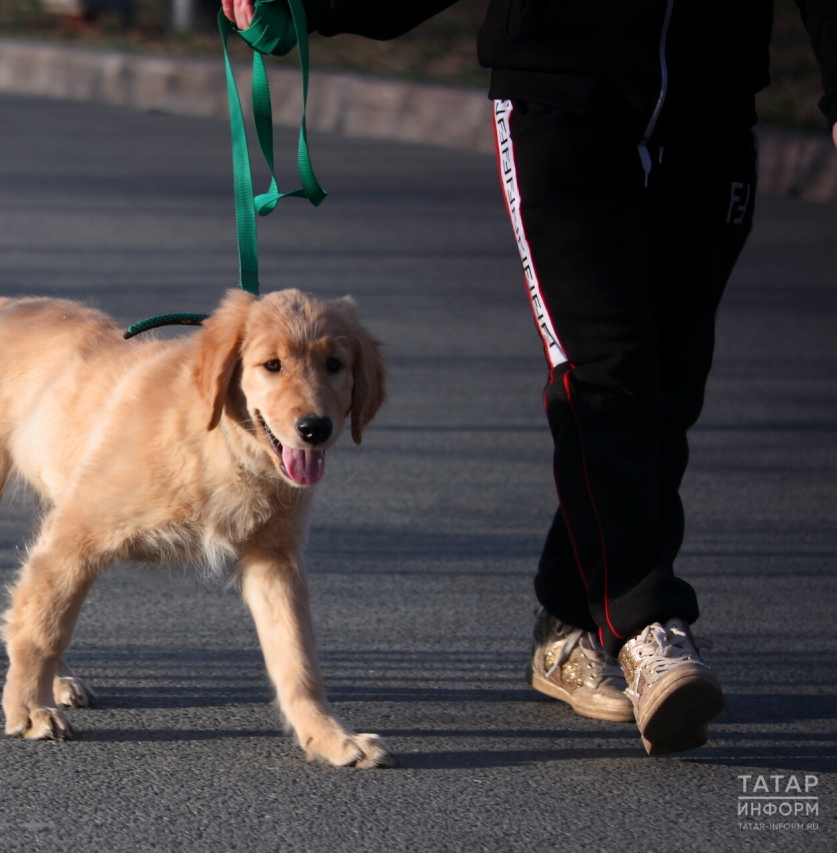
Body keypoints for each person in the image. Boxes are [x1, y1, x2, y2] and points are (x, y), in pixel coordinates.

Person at [223, 0, 837, 755]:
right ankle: (647, 628)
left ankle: (570, 618)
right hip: (563, 95)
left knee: (672, 384)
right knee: (606, 369)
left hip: (714, 106)